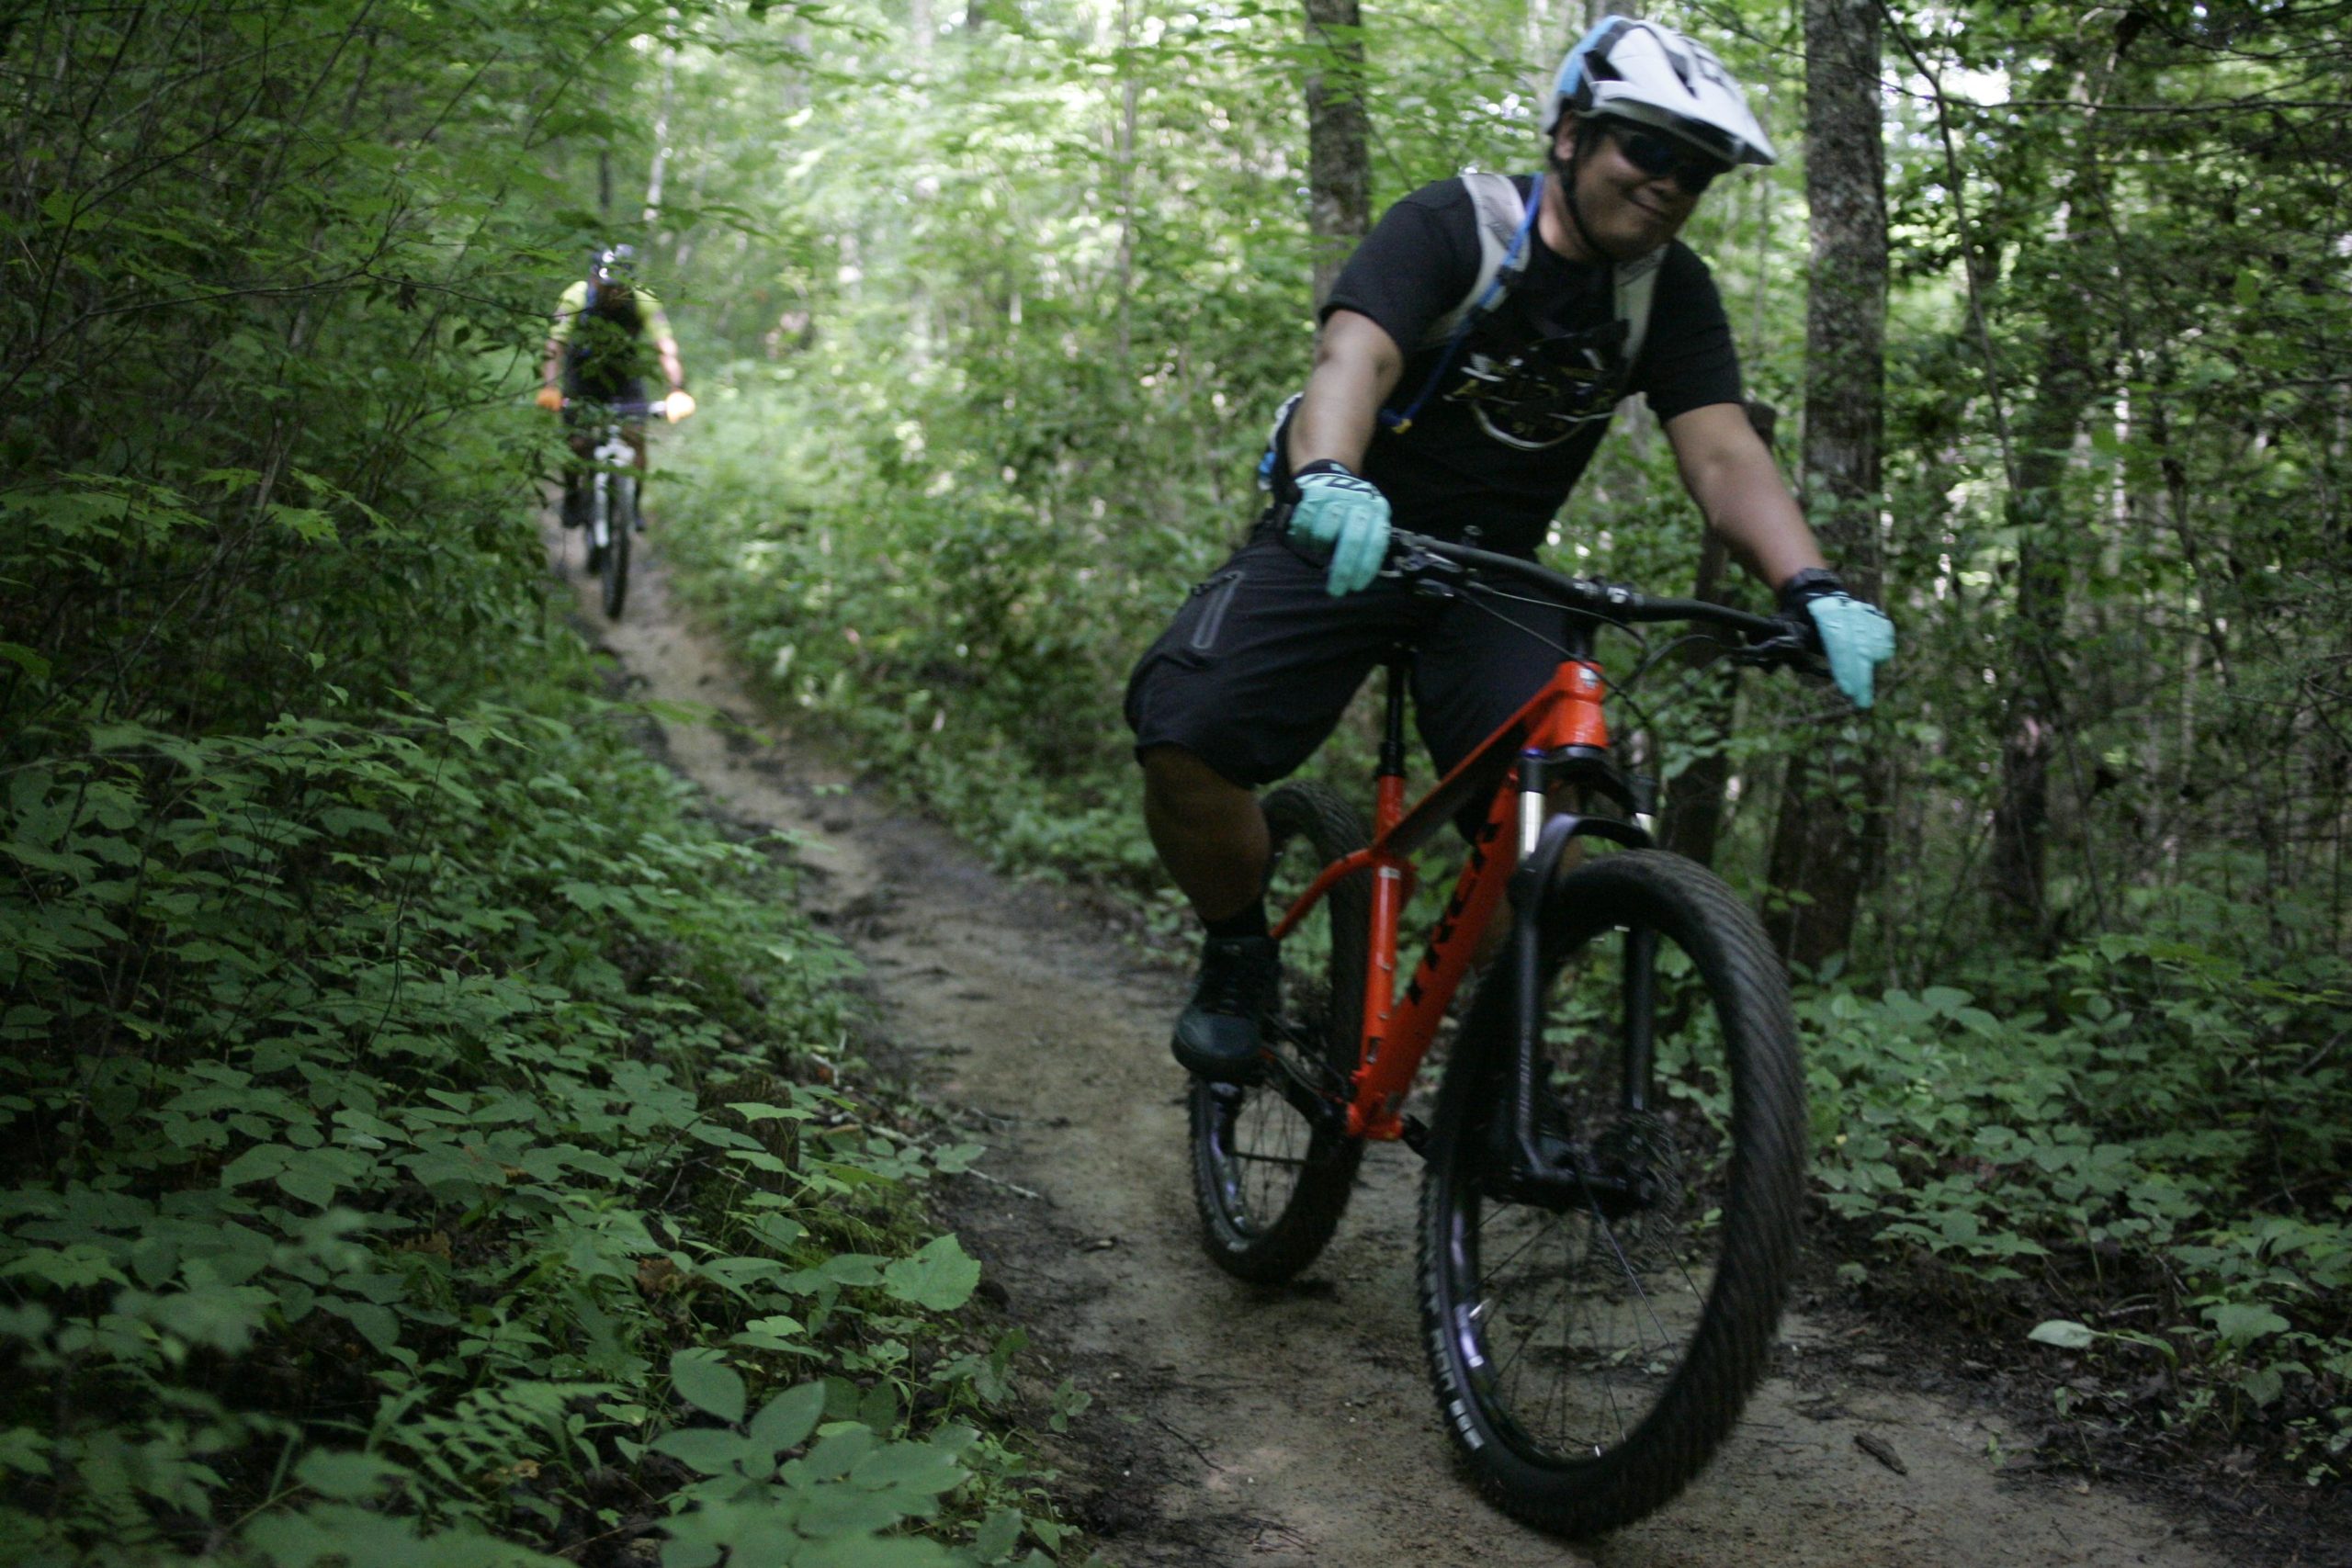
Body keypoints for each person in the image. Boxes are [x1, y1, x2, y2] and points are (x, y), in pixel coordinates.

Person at [1122, 17, 1896, 1083]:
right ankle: (1240, 950)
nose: (1671, 184)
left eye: (1698, 171)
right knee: (1185, 731)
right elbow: (1358, 352)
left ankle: (1467, 1034)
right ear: (1572, 134)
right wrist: (1331, 477)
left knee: (1551, 835)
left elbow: (1722, 454)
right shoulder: (1461, 224)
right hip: (1344, 532)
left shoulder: (1668, 291)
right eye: (1649, 149)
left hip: (1496, 577)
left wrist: (1809, 583)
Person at [535, 244, 695, 526]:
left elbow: (665, 347)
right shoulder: (575, 297)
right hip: (581, 376)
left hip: (625, 377)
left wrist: (676, 389)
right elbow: (554, 346)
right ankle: (573, 496)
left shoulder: (644, 299)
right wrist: (550, 385)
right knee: (577, 442)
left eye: (619, 287)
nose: (613, 293)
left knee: (635, 438)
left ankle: (632, 505)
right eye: (607, 285)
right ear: (594, 278)